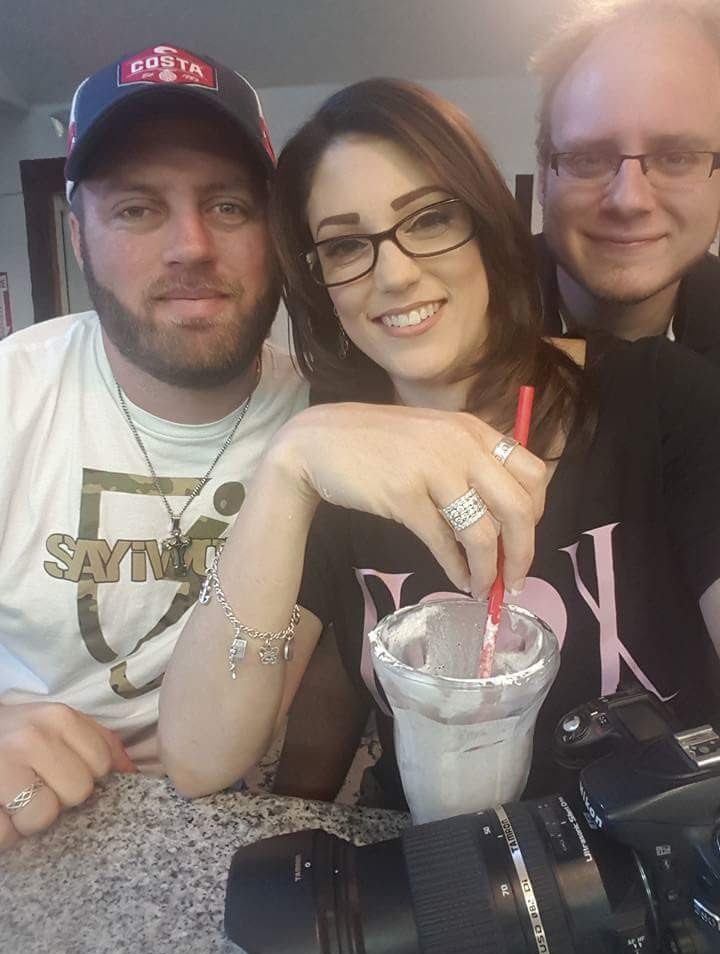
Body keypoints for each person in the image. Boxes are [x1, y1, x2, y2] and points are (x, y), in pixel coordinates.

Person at [159, 78, 720, 811]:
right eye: (345, 245)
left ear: (486, 224)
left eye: (428, 219)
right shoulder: (336, 459)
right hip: (429, 859)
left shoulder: (662, 400)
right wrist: (289, 465)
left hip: (648, 862)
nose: (394, 275)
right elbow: (200, 757)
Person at [0, 44, 308, 849]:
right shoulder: (10, 398)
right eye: (137, 210)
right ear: (78, 238)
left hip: (265, 821)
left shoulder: (326, 416)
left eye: (229, 206)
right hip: (38, 818)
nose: (192, 246)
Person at [530, 0, 720, 362]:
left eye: (677, 158)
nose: (629, 200)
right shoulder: (452, 325)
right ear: (542, 177)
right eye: (587, 159)